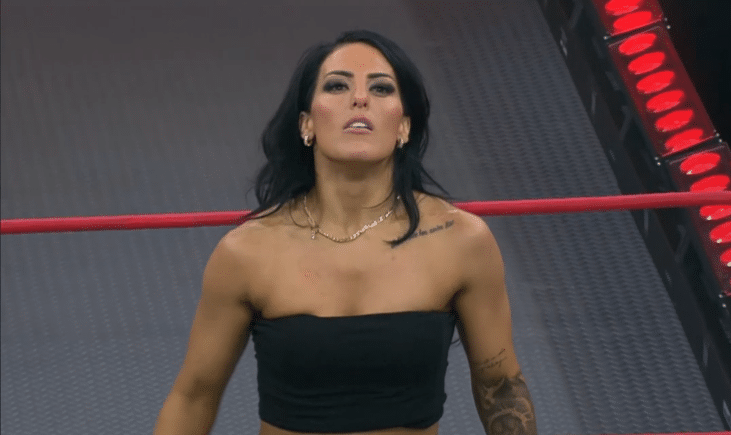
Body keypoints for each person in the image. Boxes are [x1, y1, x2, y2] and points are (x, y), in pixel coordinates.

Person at [153, 30, 537, 435]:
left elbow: (502, 387)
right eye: (337, 86)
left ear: (404, 127)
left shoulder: (461, 241)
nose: (360, 98)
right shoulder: (247, 252)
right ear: (307, 124)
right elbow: (193, 397)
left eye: (381, 88)